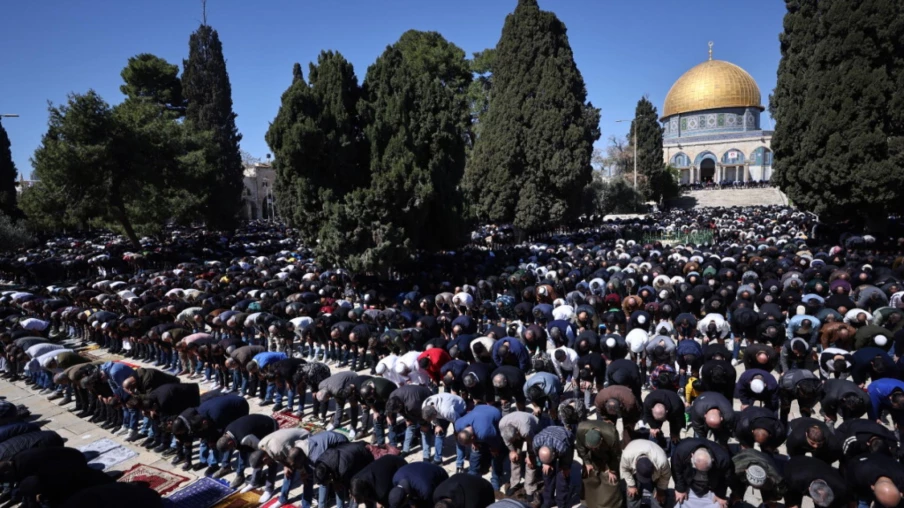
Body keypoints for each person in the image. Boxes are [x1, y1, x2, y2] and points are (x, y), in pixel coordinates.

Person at [215, 414, 279, 487]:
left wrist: (261, 461)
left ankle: (254, 478)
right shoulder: (227, 432)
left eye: (229, 448)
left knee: (257, 458)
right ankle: (235, 471)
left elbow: (260, 449)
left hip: (270, 426)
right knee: (242, 448)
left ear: (230, 442)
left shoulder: (245, 438)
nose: (231, 450)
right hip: (252, 430)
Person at [454, 404, 505, 488]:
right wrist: (473, 443)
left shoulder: (484, 432)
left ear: (473, 437)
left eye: (470, 442)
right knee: (475, 450)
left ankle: (495, 479)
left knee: (496, 454)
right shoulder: (458, 425)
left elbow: (496, 440)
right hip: (479, 408)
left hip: (494, 413)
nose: (470, 444)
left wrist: (494, 448)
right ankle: (472, 477)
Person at [671, 438, 732, 508]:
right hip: (689, 478)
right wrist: (680, 489)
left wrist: (720, 495)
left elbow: (726, 477)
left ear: (712, 459)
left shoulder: (723, 458)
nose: (701, 474)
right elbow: (676, 469)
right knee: (680, 499)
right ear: (692, 456)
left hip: (711, 484)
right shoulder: (681, 450)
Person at [313, 441, 374, 508]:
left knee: (357, 492)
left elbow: (353, 485)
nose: (325, 485)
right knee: (339, 486)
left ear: (329, 476)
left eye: (325, 482)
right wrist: (335, 482)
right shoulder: (321, 462)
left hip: (363, 457)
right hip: (351, 452)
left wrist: (351, 491)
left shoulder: (343, 469)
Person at [577, 419, 622, 508]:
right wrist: (587, 462)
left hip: (608, 452)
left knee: (612, 479)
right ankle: (586, 499)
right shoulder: (581, 430)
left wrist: (611, 470)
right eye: (591, 447)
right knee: (589, 473)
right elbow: (581, 448)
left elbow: (616, 456)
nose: (594, 449)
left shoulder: (611, 435)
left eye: (595, 447)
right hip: (590, 453)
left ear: (601, 440)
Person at [499, 411, 541, 502]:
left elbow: (534, 444)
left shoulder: (526, 431)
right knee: (514, 458)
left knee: (531, 463)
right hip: (516, 428)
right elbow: (508, 442)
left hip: (532, 430)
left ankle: (530, 488)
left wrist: (531, 456)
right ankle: (515, 483)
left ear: (517, 433)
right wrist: (512, 451)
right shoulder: (502, 426)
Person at [620, 438, 671, 508]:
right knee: (632, 494)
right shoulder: (627, 455)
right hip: (634, 470)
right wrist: (631, 485)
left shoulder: (662, 461)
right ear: (635, 463)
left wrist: (660, 490)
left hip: (656, 473)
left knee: (660, 497)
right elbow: (624, 469)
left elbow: (665, 476)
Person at [533, 425, 575, 508]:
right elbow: (537, 457)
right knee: (546, 473)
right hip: (548, 434)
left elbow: (567, 457)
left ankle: (561, 503)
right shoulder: (536, 442)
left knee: (562, 477)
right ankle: (548, 501)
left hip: (565, 437)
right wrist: (544, 464)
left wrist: (566, 468)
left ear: (554, 454)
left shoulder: (562, 447)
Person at [783, 455, 847, 508]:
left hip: (817, 469)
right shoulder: (794, 480)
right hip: (794, 466)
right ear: (809, 489)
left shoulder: (841, 486)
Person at [420, 392, 465, 465]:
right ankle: (438, 460)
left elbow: (458, 421)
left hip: (458, 409)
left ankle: (460, 464)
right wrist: (437, 425)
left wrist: (457, 432)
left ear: (435, 414)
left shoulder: (446, 411)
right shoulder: (425, 405)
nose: (431, 421)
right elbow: (433, 419)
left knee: (459, 437)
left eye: (432, 419)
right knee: (438, 433)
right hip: (443, 409)